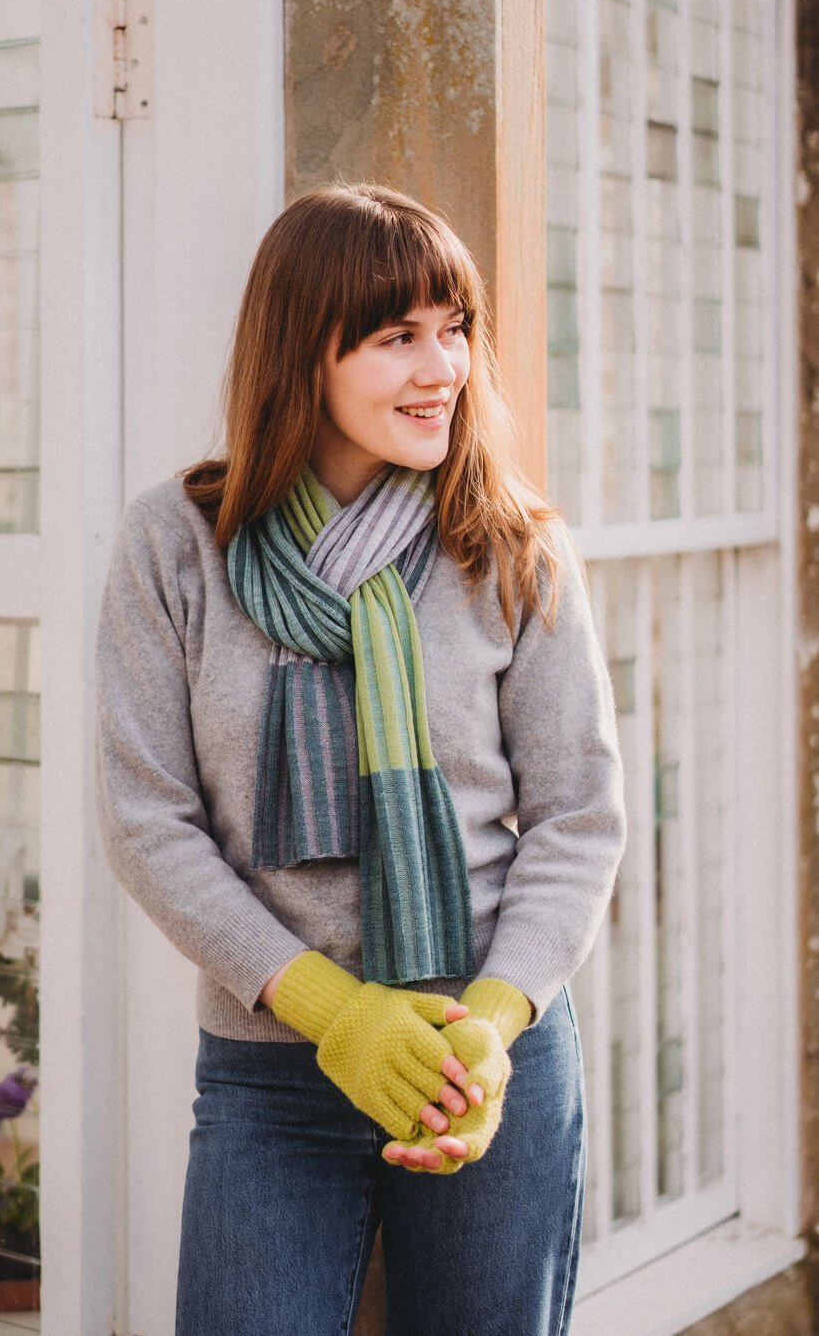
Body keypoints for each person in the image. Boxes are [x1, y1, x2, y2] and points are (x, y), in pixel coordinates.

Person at [96, 183, 626, 1336]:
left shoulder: (508, 546)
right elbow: (149, 819)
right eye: (398, 337)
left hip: (488, 1064)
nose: (443, 367)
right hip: (271, 1073)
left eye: (456, 329)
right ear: (305, 352)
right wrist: (334, 1011)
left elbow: (579, 817)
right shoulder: (176, 546)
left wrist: (488, 1026)